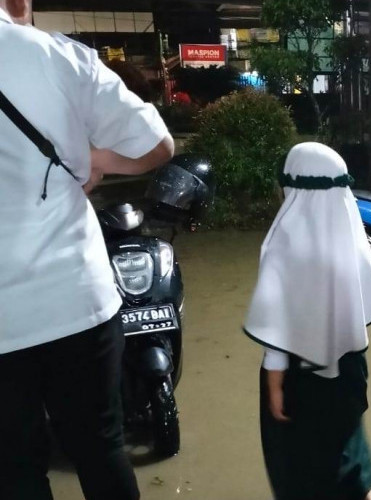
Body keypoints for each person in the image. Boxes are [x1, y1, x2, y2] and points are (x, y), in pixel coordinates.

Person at [0, 1, 174, 499]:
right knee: (99, 446)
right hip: (74, 300)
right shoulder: (58, 56)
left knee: (12, 467)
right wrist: (95, 159)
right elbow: (158, 146)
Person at [244, 142, 371, 500]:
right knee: (352, 460)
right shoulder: (351, 239)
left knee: (300, 471)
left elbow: (277, 330)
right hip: (350, 370)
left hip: (300, 380)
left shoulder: (284, 243)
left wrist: (275, 387)